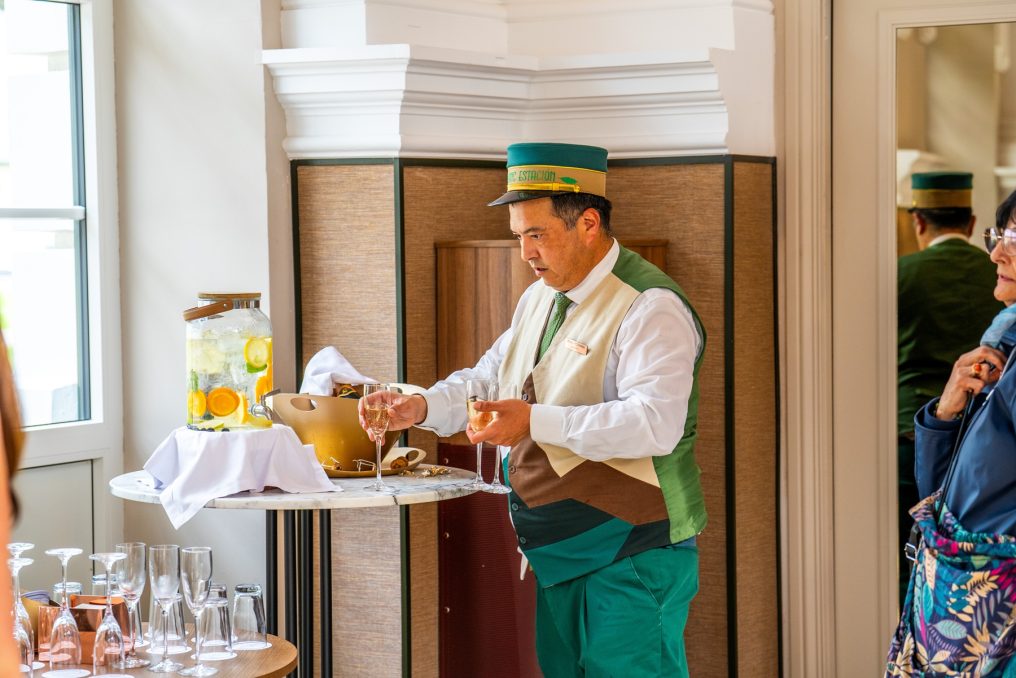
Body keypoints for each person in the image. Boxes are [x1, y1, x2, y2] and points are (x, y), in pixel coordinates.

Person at [362, 142, 707, 677]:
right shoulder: (539, 297)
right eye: (518, 236)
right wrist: (420, 406)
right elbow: (490, 377)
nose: (525, 253)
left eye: (537, 235)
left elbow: (653, 424)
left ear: (588, 223)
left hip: (634, 552)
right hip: (559, 553)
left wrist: (534, 421)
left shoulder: (651, 306)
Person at [886, 188, 1016, 675]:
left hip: (992, 595)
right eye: (1000, 236)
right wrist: (946, 409)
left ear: (919, 220)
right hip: (965, 582)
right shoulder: (1003, 339)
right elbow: (947, 490)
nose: (996, 254)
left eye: (1015, 240)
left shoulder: (906, 272)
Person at [895, 171, 1001, 604]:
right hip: (985, 440)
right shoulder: (994, 274)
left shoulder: (902, 272)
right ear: (972, 223)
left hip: (912, 433)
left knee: (912, 549)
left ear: (918, 221)